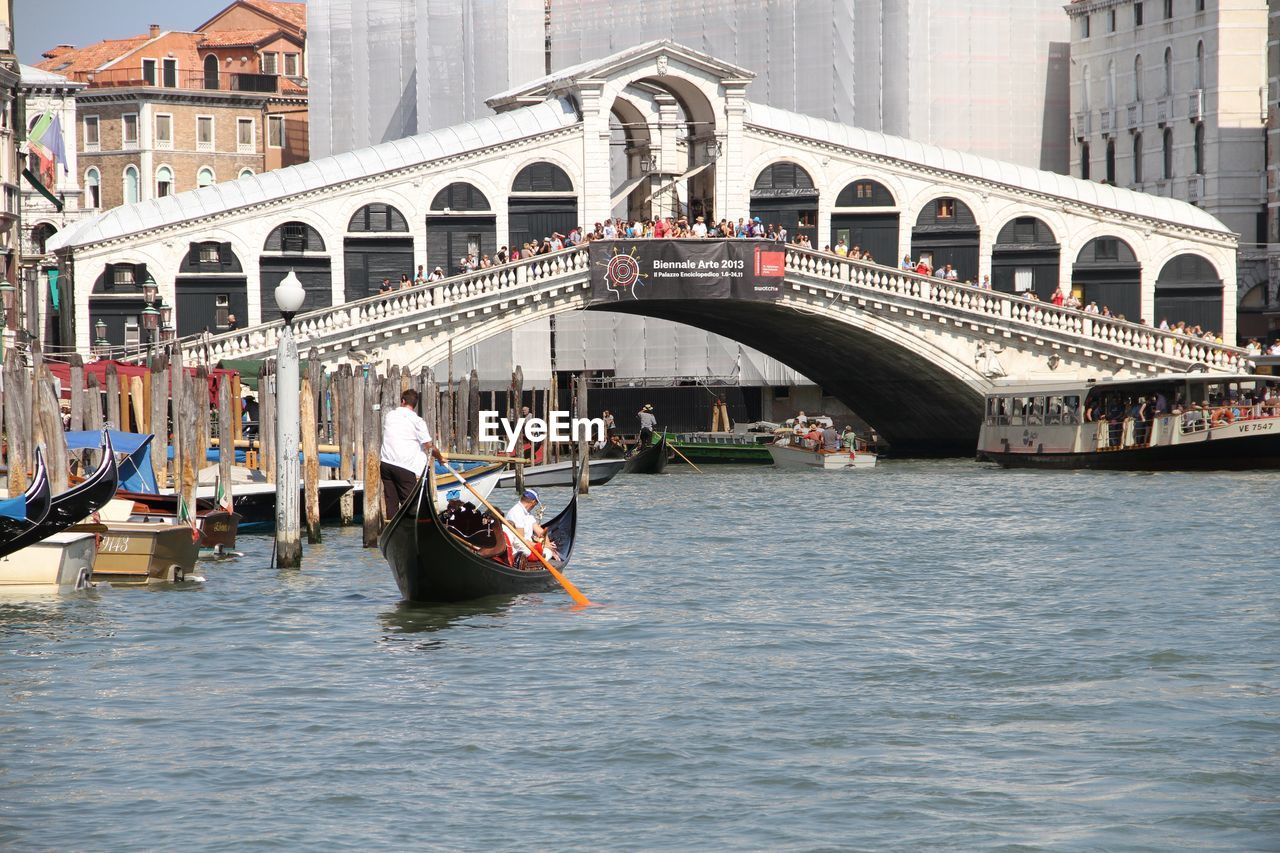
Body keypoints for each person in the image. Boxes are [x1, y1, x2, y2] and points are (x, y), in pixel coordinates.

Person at [380, 389, 444, 519]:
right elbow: (429, 446)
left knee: (391, 501)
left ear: (402, 401)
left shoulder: (390, 415)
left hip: (386, 464)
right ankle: (408, 530)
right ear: (414, 405)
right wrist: (441, 458)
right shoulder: (417, 421)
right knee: (410, 503)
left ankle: (392, 528)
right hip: (404, 466)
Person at [505, 489, 546, 566]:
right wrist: (537, 545)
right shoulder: (516, 512)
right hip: (519, 550)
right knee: (547, 553)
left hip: (528, 545)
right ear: (533, 502)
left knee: (549, 551)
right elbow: (521, 540)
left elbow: (539, 531)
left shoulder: (527, 513)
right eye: (536, 503)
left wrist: (548, 544)